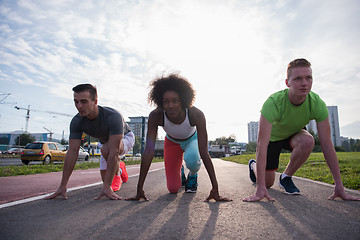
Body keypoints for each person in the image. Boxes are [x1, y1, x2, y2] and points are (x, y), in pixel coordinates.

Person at [243, 58, 360, 202]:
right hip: (273, 139)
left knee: (308, 140)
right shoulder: (273, 103)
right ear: (287, 83)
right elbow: (262, 145)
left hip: (294, 134)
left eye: (308, 78)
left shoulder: (317, 104)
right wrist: (260, 188)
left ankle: (286, 177)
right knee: (267, 183)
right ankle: (253, 164)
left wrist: (339, 186)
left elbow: (327, 144)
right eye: (298, 78)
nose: (304, 83)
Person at [127, 74, 231, 202]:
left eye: (175, 101)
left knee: (192, 160)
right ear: (160, 102)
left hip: (191, 140)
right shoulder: (156, 116)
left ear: (183, 100)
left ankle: (192, 175)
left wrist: (215, 189)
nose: (170, 105)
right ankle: (180, 171)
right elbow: (148, 151)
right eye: (166, 101)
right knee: (173, 189)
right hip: (171, 143)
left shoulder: (196, 114)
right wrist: (139, 189)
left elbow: (204, 152)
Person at [45, 84, 134, 200]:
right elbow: (72, 152)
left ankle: (118, 169)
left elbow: (114, 150)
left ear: (95, 101)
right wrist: (62, 185)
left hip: (125, 138)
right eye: (76, 102)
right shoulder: (77, 121)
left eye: (83, 101)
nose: (79, 106)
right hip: (105, 142)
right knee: (106, 163)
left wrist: (106, 186)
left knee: (107, 152)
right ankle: (120, 168)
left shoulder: (113, 116)